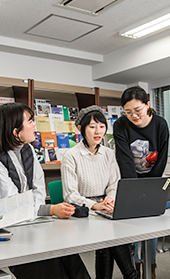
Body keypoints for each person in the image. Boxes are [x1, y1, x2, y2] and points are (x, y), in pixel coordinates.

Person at [0, 102, 90, 279]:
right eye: (31, 121)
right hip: (3, 234)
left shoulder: (28, 150)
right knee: (50, 263)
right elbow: (13, 207)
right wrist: (50, 209)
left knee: (68, 253)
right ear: (15, 132)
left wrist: (42, 209)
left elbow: (38, 191)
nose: (35, 125)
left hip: (29, 226)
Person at [61, 105, 139, 279]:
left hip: (106, 206)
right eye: (92, 126)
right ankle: (131, 275)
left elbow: (114, 183)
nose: (98, 131)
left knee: (109, 241)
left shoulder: (109, 153)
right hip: (84, 210)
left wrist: (109, 200)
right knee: (113, 238)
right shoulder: (71, 155)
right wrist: (96, 205)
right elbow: (70, 195)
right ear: (81, 129)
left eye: (102, 126)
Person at [113, 86, 169, 279]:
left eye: (137, 111)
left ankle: (150, 266)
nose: (133, 116)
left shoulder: (160, 124)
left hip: (153, 180)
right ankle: (135, 266)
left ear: (147, 105)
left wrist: (149, 188)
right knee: (131, 225)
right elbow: (125, 159)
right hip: (129, 180)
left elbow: (162, 158)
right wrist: (134, 189)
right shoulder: (121, 125)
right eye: (128, 112)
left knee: (150, 225)